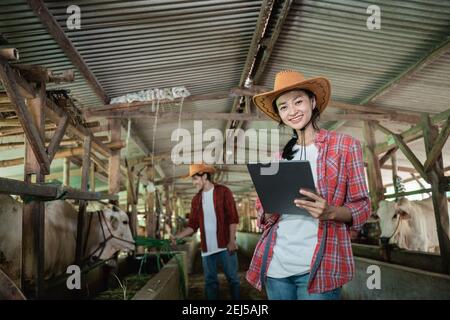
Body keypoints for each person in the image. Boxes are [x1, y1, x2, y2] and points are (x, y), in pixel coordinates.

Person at [246, 70, 371, 300]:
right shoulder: (277, 158)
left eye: (298, 101)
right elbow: (262, 213)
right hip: (277, 264)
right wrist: (268, 207)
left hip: (321, 266)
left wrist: (332, 212)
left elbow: (363, 207)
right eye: (283, 107)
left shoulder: (344, 146)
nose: (292, 111)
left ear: (313, 102)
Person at [172, 163, 240, 300]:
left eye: (195, 179)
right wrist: (177, 236)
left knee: (233, 279)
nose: (193, 183)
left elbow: (233, 218)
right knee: (210, 282)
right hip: (207, 249)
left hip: (225, 244)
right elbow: (193, 225)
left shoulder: (223, 192)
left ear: (204, 176)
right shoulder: (196, 200)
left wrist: (232, 240)